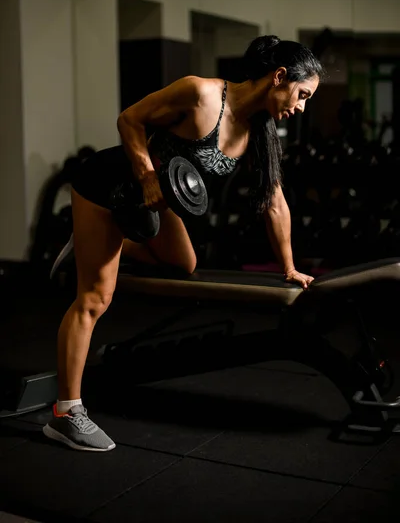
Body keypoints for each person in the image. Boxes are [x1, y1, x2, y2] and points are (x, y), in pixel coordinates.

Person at [43, 34, 323, 452]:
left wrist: (288, 266)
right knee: (96, 297)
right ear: (279, 77)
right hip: (111, 184)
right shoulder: (201, 93)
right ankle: (67, 413)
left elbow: (275, 202)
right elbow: (129, 120)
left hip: (152, 205)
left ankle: (97, 245)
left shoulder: (258, 132)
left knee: (183, 264)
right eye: (302, 95)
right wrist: (147, 177)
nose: (300, 107)